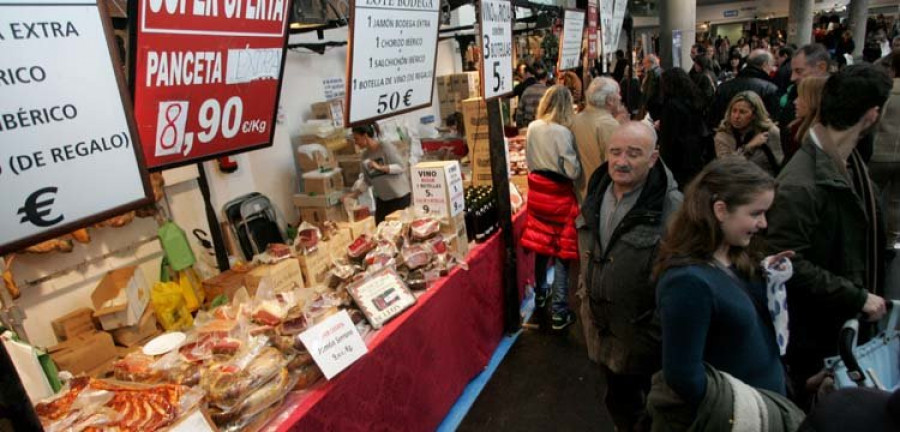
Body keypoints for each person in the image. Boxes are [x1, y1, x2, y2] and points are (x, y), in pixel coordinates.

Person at [765, 64, 893, 409]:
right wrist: (856, 296)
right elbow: (785, 261)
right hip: (819, 336)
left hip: (840, 324)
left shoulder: (846, 163)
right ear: (871, 115)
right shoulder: (803, 181)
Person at [655, 157, 787, 408]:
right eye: (756, 213)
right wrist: (741, 414)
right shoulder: (687, 283)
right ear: (721, 210)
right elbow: (683, 376)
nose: (763, 223)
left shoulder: (735, 256)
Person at [581, 122, 682, 432]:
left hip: (646, 342)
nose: (621, 161)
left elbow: (680, 276)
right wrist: (583, 295)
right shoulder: (596, 191)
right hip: (603, 334)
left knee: (654, 411)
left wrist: (655, 327)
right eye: (615, 152)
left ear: (653, 158)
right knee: (617, 401)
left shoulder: (671, 206)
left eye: (634, 154)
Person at [520, 85, 582, 330]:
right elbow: (572, 170)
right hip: (558, 194)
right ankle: (559, 311)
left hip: (537, 191)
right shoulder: (563, 132)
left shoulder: (533, 128)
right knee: (561, 251)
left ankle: (540, 294)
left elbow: (528, 159)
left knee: (541, 245)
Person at [346, 123, 411, 223]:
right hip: (383, 198)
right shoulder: (364, 156)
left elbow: (401, 167)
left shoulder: (385, 147)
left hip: (399, 197)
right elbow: (367, 181)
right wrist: (353, 194)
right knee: (379, 226)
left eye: (357, 139)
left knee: (397, 228)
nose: (356, 143)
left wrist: (380, 167)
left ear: (365, 136)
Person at [659, 68, 713, 189]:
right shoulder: (695, 99)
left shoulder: (671, 105)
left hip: (678, 157)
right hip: (696, 152)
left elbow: (668, 139)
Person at [572, 77, 622, 201]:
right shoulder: (609, 125)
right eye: (618, 94)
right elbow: (616, 165)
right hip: (602, 196)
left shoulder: (575, 120)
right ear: (609, 100)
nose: (620, 98)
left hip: (579, 193)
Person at [714, 91, 784, 176]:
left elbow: (780, 163)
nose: (736, 117)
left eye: (742, 112)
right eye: (734, 111)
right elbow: (727, 167)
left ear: (754, 115)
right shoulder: (724, 135)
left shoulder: (770, 132)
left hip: (764, 183)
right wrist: (749, 147)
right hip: (735, 184)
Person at [870, 51, 900, 247]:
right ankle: (892, 238)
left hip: (880, 152)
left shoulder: (888, 90)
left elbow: (875, 121)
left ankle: (869, 233)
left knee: (871, 195)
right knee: (897, 201)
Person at [709, 49, 779, 129]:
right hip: (758, 136)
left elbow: (714, 117)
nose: (773, 69)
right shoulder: (769, 89)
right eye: (771, 65)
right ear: (765, 64)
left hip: (727, 133)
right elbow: (772, 119)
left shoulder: (724, 87)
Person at [778, 44, 830, 129]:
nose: (792, 78)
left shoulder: (835, 104)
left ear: (821, 68)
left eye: (799, 71)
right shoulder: (794, 91)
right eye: (793, 71)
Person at [784, 76, 828, 162]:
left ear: (814, 100)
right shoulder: (796, 128)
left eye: (800, 96)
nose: (795, 101)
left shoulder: (819, 138)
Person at [516, 63, 549, 127]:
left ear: (535, 78)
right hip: (544, 125)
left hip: (528, 126)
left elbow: (519, 112)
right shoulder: (549, 92)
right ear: (546, 78)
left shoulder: (527, 91)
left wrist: (519, 126)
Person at [640, 54, 663, 120]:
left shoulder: (652, 74)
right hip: (657, 106)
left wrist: (646, 105)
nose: (644, 66)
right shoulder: (660, 71)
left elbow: (650, 91)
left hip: (654, 107)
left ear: (650, 63)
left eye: (645, 64)